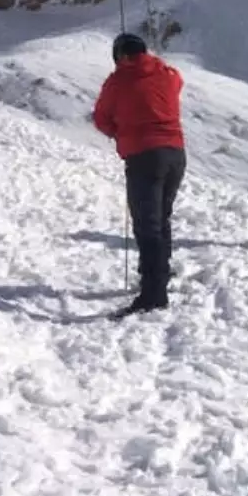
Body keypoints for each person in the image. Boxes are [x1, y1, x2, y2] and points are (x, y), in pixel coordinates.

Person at [92, 32, 187, 318]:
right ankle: (161, 272)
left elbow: (101, 118)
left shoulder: (117, 81)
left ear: (120, 55)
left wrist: (122, 134)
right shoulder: (168, 74)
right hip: (176, 154)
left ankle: (153, 294)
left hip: (144, 157)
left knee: (147, 225)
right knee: (162, 218)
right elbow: (176, 83)